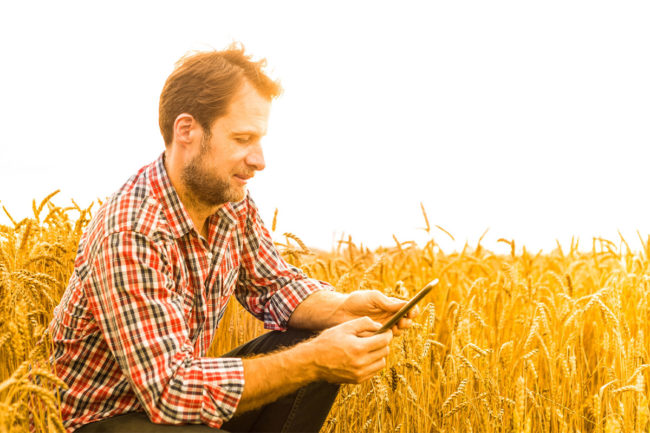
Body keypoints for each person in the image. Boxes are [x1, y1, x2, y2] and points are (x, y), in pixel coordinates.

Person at [48, 43, 419, 433]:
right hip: (102, 420)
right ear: (187, 130)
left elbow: (274, 286)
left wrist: (344, 307)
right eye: (243, 139)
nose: (260, 160)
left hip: (172, 402)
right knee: (311, 356)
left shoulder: (228, 204)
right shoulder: (131, 231)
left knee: (316, 334)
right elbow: (170, 392)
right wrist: (315, 359)